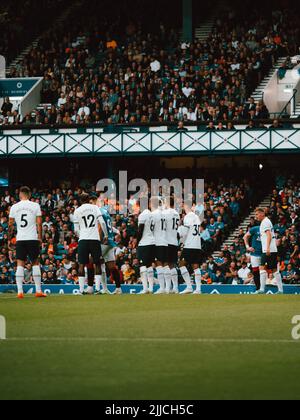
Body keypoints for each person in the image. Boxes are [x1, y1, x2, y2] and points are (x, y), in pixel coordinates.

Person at [8, 186, 46, 299]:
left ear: (20, 194)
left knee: (20, 263)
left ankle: (20, 292)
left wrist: (9, 239)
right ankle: (38, 290)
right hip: (32, 238)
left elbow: (10, 225)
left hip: (20, 238)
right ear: (29, 194)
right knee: (35, 263)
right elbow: (39, 223)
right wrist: (40, 237)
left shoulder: (14, 207)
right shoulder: (35, 205)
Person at [73, 194, 106, 295]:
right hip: (95, 239)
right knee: (97, 263)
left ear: (80, 200)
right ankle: (97, 289)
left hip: (83, 239)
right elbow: (102, 222)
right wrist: (106, 235)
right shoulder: (95, 208)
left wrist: (81, 235)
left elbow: (76, 229)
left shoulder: (77, 210)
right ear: (89, 200)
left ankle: (81, 290)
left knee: (81, 265)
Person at [255, 208, 284, 294]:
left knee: (262, 267)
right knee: (274, 269)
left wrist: (267, 247)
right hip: (271, 249)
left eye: (257, 214)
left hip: (268, 249)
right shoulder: (266, 221)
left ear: (262, 214)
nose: (256, 216)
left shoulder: (265, 222)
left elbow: (269, 235)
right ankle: (280, 290)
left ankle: (262, 289)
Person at [97, 199, 122, 295]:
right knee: (112, 266)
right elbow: (110, 227)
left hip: (104, 241)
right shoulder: (106, 213)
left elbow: (100, 227)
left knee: (96, 262)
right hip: (111, 243)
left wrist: (98, 241)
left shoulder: (99, 212)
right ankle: (118, 288)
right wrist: (117, 232)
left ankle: (100, 288)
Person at [178, 203, 203, 295]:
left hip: (189, 244)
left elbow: (185, 232)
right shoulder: (196, 217)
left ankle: (189, 287)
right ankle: (198, 289)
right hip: (197, 244)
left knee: (181, 264)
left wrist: (180, 243)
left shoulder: (188, 217)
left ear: (185, 206)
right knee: (195, 266)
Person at [151, 197, 169, 295]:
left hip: (157, 242)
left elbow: (151, 228)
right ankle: (168, 288)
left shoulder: (153, 214)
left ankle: (162, 288)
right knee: (166, 265)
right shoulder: (165, 214)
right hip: (165, 241)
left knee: (159, 264)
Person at [137, 203, 155, 295]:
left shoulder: (142, 215)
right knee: (149, 265)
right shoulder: (152, 214)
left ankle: (145, 288)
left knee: (142, 265)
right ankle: (151, 288)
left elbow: (140, 230)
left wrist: (136, 242)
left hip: (144, 243)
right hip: (152, 242)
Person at [163, 196, 180, 294]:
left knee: (165, 265)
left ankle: (167, 288)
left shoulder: (166, 213)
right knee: (172, 265)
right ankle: (175, 288)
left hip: (166, 241)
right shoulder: (177, 214)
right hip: (174, 241)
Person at [243, 225, 262, 290]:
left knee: (263, 271)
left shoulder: (269, 229)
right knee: (255, 272)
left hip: (264, 253)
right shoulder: (255, 228)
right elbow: (245, 236)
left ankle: (262, 288)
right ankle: (258, 288)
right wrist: (247, 247)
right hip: (255, 254)